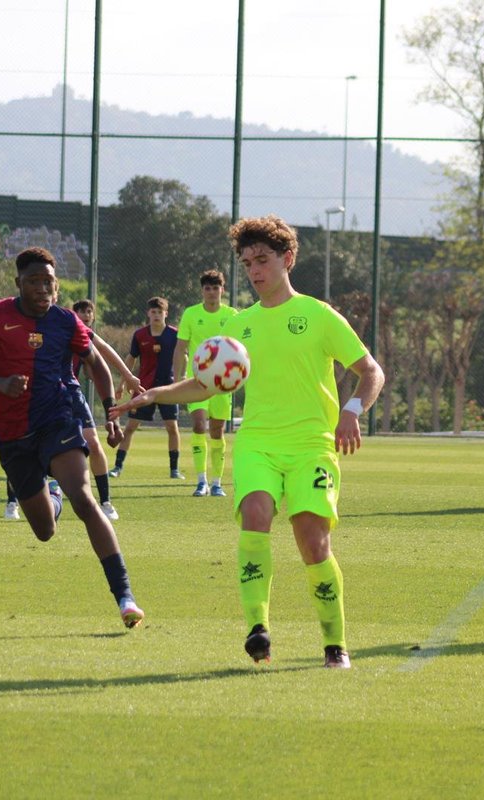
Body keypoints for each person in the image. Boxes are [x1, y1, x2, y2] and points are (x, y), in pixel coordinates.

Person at [112, 215, 384, 668]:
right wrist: (158, 392)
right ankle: (258, 628)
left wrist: (352, 412)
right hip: (258, 441)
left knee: (312, 540)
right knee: (255, 514)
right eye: (247, 263)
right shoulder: (241, 327)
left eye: (263, 260)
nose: (255, 270)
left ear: (287, 259)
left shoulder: (317, 315)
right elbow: (206, 385)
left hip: (312, 445)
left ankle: (335, 643)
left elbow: (370, 371)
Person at [0, 247, 145, 629]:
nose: (43, 289)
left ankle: (125, 596)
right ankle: (51, 495)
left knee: (87, 501)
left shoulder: (66, 321)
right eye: (34, 282)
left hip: (57, 420)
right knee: (44, 530)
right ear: (18, 284)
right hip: (10, 433)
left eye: (49, 282)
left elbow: (95, 364)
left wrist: (109, 411)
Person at [3, 298, 140, 522]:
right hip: (33, 395)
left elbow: (103, 350)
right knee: (22, 449)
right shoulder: (18, 322)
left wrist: (127, 375)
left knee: (94, 443)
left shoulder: (66, 322)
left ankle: (105, 502)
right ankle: (12, 502)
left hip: (69, 392)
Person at [173, 269, 240, 497]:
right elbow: (181, 348)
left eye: (215, 288)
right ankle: (201, 481)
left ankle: (217, 482)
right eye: (207, 288)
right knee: (199, 425)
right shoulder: (191, 314)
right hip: (198, 381)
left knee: (217, 431)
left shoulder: (232, 314)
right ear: (202, 291)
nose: (211, 292)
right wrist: (177, 377)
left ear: (222, 290)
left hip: (223, 383)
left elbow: (240, 348)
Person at [110, 296, 182, 479]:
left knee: (172, 427)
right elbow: (131, 359)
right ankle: (117, 466)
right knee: (130, 427)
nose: (156, 315)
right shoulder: (140, 335)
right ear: (148, 314)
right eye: (153, 312)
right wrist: (121, 384)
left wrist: (181, 379)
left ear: (166, 314)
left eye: (160, 312)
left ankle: (174, 469)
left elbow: (183, 357)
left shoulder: (174, 335)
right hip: (144, 387)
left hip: (168, 388)